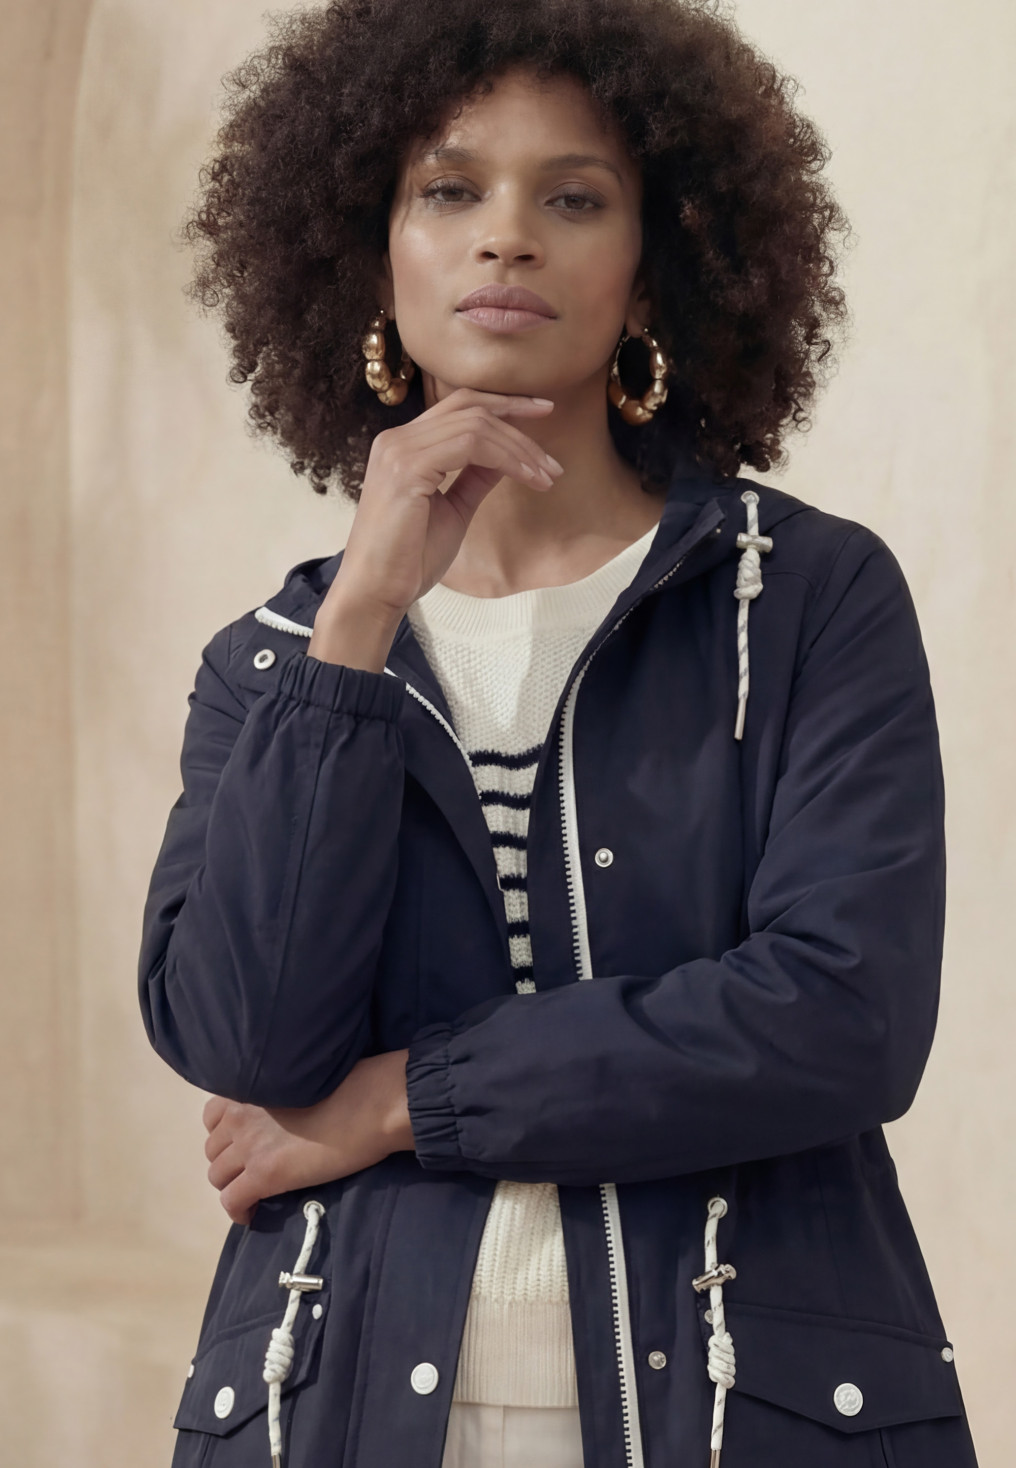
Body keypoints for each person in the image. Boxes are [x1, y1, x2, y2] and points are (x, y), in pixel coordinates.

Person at [137, 2, 980, 1466]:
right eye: (450, 190)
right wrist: (360, 617)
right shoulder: (276, 663)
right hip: (338, 1414)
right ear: (374, 257)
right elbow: (247, 1041)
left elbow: (843, 1017)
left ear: (653, 272)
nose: (507, 238)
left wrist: (407, 1101)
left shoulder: (801, 601)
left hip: (738, 1413)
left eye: (574, 198)